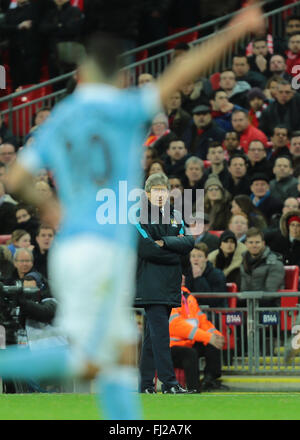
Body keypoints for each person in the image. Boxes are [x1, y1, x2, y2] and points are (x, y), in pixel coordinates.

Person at [3, 4, 265, 419]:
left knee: (119, 359)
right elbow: (183, 69)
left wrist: (52, 209)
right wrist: (235, 31)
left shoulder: (63, 115)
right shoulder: (127, 108)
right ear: (123, 77)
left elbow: (15, 177)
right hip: (103, 252)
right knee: (100, 361)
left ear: (80, 75)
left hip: (71, 249)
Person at [135, 173, 194, 394]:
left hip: (168, 284)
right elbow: (146, 249)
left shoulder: (175, 215)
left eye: (163, 190)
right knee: (160, 335)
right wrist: (173, 250)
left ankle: (145, 384)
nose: (160, 195)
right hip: (150, 282)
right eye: (156, 191)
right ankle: (169, 383)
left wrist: (163, 243)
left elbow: (189, 242)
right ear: (147, 194)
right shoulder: (138, 216)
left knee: (152, 337)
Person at [169, 285, 226, 392]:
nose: (183, 276)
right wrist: (208, 337)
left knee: (212, 345)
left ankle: (209, 380)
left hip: (189, 342)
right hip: (171, 347)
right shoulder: (168, 297)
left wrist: (216, 336)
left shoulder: (190, 298)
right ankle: (193, 389)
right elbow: (177, 326)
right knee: (190, 353)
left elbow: (202, 321)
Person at [240, 227, 285, 307]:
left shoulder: (274, 263)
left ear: (263, 243)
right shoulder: (243, 262)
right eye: (251, 242)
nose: (254, 245)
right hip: (250, 303)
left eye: (257, 242)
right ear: (246, 244)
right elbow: (244, 289)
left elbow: (270, 293)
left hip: (271, 307)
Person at [185, 242, 227, 308]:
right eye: (193, 256)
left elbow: (212, 300)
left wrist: (198, 279)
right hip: (193, 312)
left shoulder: (217, 275)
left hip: (214, 312)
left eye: (200, 256)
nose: (196, 259)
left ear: (206, 258)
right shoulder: (188, 274)